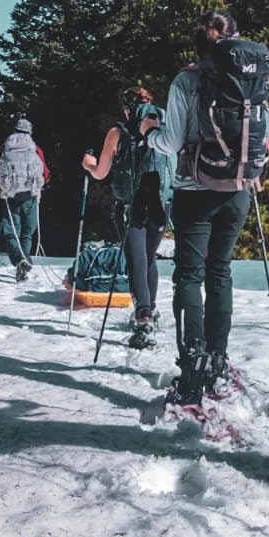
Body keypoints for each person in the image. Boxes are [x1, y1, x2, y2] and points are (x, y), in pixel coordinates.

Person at [140, 10, 256, 404]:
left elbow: (171, 143)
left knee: (190, 275)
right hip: (237, 189)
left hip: (194, 187)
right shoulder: (252, 77)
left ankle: (194, 361)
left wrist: (149, 134)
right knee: (220, 272)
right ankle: (218, 357)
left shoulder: (186, 80)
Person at [82, 87, 174, 347]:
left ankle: (144, 314)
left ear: (125, 107)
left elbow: (101, 172)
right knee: (148, 257)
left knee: (136, 259)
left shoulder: (118, 131)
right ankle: (151, 309)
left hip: (131, 205)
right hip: (162, 201)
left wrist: (88, 163)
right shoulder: (164, 126)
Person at [0, 118, 49, 281]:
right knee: (27, 233)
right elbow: (46, 174)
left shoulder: (6, 147)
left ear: (14, 130)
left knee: (11, 232)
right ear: (30, 131)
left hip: (10, 195)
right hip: (30, 194)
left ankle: (19, 260)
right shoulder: (35, 148)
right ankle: (24, 260)